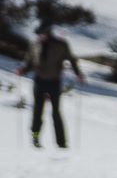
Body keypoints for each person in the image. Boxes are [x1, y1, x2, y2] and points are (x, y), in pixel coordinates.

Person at [23, 18, 82, 147]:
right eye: (38, 34)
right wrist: (22, 70)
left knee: (56, 113)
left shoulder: (60, 45)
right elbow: (30, 63)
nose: (39, 36)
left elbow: (71, 59)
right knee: (37, 111)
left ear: (48, 33)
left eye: (41, 33)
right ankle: (35, 138)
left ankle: (61, 143)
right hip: (39, 82)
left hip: (54, 82)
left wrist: (78, 74)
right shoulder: (35, 45)